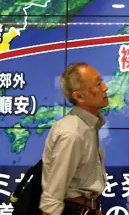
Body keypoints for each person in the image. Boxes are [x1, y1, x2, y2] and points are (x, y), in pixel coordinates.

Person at [39, 62, 109, 215]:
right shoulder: (72, 132)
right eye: (98, 84)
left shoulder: (88, 126)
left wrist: (94, 208)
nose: (105, 88)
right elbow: (53, 196)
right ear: (79, 96)